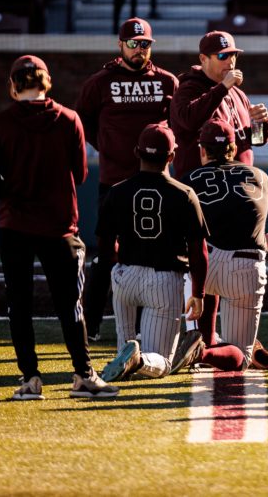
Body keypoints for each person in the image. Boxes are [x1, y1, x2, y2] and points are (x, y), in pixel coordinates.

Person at [0, 55, 119, 400]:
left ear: (13, 86)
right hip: (59, 225)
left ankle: (30, 379)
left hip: (15, 224)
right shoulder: (69, 119)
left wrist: (11, 194)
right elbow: (82, 174)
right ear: (47, 82)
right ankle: (84, 375)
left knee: (20, 303)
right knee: (70, 304)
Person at [76, 17, 179, 341]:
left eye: (145, 44)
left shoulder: (166, 81)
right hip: (115, 180)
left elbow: (177, 122)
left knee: (150, 255)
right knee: (107, 254)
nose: (139, 49)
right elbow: (82, 121)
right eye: (133, 44)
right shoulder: (100, 82)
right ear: (120, 45)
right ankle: (90, 325)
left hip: (156, 184)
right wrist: (105, 144)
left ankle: (139, 327)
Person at [169, 119, 268, 374]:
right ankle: (205, 352)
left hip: (205, 262)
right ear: (233, 148)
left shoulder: (189, 178)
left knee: (205, 269)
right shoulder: (261, 177)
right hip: (245, 263)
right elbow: (243, 214)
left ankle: (202, 341)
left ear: (202, 150)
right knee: (241, 356)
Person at [97, 124, 208, 383]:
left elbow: (104, 243)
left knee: (122, 355)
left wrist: (118, 267)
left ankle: (131, 359)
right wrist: (198, 293)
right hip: (163, 279)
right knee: (161, 361)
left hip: (125, 275)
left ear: (137, 152)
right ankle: (140, 359)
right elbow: (198, 250)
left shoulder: (116, 191)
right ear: (171, 157)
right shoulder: (184, 194)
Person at [170, 30, 268, 179]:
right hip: (202, 187)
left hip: (239, 186)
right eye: (222, 56)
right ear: (203, 59)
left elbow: (255, 140)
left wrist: (262, 122)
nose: (230, 61)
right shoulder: (188, 89)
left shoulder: (237, 93)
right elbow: (189, 121)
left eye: (233, 55)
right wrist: (222, 88)